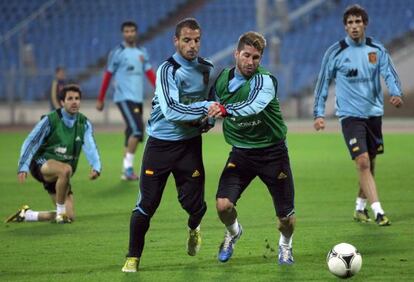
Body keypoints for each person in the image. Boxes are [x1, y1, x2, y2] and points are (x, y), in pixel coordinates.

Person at [121, 18, 215, 272]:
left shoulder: (208, 69)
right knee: (146, 204)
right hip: (160, 146)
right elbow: (172, 110)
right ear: (176, 41)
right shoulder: (167, 70)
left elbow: (212, 105)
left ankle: (194, 228)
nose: (192, 45)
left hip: (189, 146)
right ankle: (133, 257)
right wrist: (206, 108)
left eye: (196, 40)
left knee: (196, 206)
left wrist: (209, 120)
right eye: (186, 40)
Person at [208, 31, 296, 265]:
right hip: (241, 153)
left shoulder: (265, 81)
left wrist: (225, 111)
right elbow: (210, 104)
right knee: (223, 205)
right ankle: (234, 232)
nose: (250, 62)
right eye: (246, 55)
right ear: (236, 54)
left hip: (273, 153)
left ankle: (285, 246)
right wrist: (205, 121)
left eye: (256, 57)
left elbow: (253, 105)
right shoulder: (221, 80)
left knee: (285, 219)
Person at [313, 4, 403, 226]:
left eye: (358, 22)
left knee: (369, 163)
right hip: (350, 116)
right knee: (362, 161)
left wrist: (396, 93)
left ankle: (359, 208)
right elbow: (323, 82)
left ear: (365, 24)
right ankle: (378, 210)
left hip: (373, 114)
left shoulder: (376, 50)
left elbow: (389, 73)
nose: (354, 26)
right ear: (345, 27)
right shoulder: (335, 52)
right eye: (350, 23)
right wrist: (319, 113)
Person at [6, 85, 101, 224]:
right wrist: (23, 166)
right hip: (41, 163)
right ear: (62, 102)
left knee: (70, 216)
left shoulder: (84, 123)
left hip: (61, 176)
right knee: (65, 169)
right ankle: (60, 214)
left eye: (77, 98)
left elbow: (90, 145)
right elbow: (31, 142)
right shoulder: (50, 120)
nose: (74, 102)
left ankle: (27, 215)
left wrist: (96, 166)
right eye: (70, 99)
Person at [96, 21, 156, 181]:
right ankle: (128, 168)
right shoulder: (117, 52)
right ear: (123, 34)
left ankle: (125, 170)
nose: (129, 34)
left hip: (137, 99)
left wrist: (161, 89)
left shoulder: (142, 52)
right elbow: (108, 75)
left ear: (136, 33)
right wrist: (100, 98)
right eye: (126, 31)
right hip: (123, 98)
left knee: (131, 132)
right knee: (137, 130)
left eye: (132, 31)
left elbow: (150, 73)